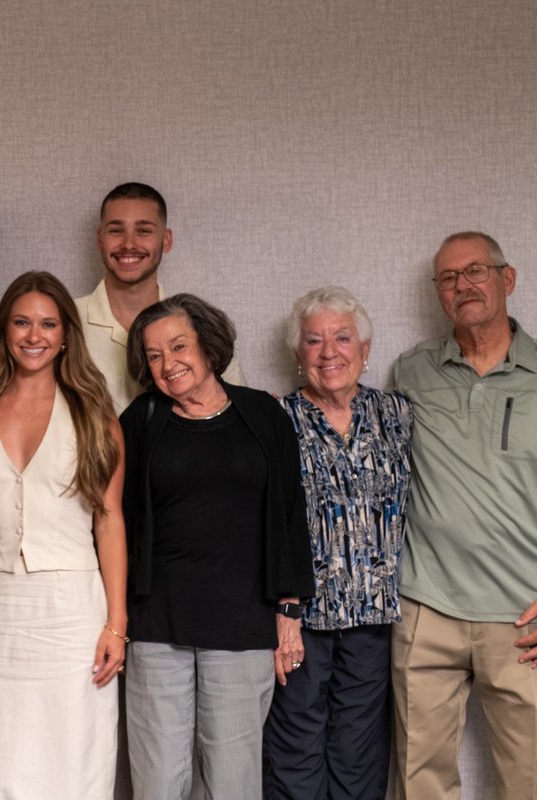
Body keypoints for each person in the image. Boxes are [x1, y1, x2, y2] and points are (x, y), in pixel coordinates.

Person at [119, 293, 313, 799]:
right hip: (157, 624)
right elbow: (116, 520)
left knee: (232, 781)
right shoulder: (140, 420)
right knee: (159, 781)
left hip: (243, 624)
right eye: (154, 355)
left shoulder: (262, 415)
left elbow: (292, 513)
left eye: (179, 346)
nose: (169, 363)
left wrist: (289, 608)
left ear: (207, 345)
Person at [0, 271, 126, 799]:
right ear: (4, 330)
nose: (35, 336)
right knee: (1, 767)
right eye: (22, 322)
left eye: (48, 324)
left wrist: (116, 625)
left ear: (66, 334)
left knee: (75, 764)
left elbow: (110, 520)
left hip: (74, 614)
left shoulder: (96, 413)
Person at [391, 232, 537, 800]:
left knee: (528, 779)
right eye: (448, 278)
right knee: (419, 781)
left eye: (476, 270)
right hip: (427, 609)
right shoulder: (412, 373)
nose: (462, 285)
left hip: (521, 617)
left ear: (508, 278)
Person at [262, 287, 412, 799]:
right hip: (298, 619)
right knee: (294, 755)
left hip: (373, 617)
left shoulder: (397, 415)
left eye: (342, 337)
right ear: (298, 355)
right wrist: (283, 608)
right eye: (314, 341)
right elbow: (266, 522)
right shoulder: (274, 418)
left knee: (360, 758)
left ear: (365, 350)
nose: (329, 352)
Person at [76, 181, 243, 413]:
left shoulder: (198, 325)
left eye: (143, 230)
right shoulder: (64, 322)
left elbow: (236, 412)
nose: (128, 244)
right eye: (116, 230)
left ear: (166, 240)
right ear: (99, 239)